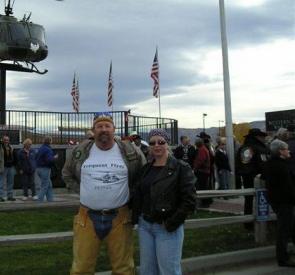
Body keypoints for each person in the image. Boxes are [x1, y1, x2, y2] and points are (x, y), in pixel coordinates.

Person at [62, 112, 146, 275]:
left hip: (120, 218)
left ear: (114, 129)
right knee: (81, 269)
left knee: (123, 268)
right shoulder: (81, 151)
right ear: (94, 131)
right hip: (86, 218)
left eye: (107, 126)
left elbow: (143, 173)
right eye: (99, 126)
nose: (104, 129)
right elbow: (66, 173)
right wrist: (83, 189)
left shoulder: (130, 151)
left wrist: (130, 192)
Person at [131, 128, 197, 275]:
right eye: (153, 142)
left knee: (169, 271)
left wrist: (171, 222)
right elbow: (140, 194)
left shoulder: (181, 168)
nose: (156, 145)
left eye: (161, 142)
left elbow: (190, 201)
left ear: (168, 144)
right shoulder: (146, 168)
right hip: (145, 225)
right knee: (148, 271)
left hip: (166, 228)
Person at [261, 140, 295, 268]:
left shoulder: (272, 164)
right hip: (283, 201)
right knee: (284, 229)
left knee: (291, 227)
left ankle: (283, 256)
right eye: (286, 149)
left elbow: (264, 176)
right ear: (281, 151)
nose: (289, 151)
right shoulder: (280, 166)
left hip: (278, 200)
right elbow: (287, 187)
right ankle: (283, 258)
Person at [236, 128, 271, 230]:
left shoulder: (247, 147)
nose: (262, 138)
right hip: (256, 177)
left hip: (253, 176)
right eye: (260, 137)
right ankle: (255, 222)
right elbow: (250, 164)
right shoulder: (254, 148)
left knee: (252, 200)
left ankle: (252, 222)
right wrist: (258, 174)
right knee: (256, 199)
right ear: (257, 137)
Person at [35, 136, 58, 202]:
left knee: (49, 186)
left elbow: (36, 157)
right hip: (45, 169)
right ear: (50, 142)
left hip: (38, 168)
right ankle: (39, 202)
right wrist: (54, 158)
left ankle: (50, 201)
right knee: (44, 187)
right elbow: (49, 160)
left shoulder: (41, 148)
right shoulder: (48, 150)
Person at [0, 135, 16, 202]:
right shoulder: (0, 147)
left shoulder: (11, 147)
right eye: (5, 140)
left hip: (11, 167)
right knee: (1, 182)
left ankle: (10, 196)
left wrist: (14, 164)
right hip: (3, 167)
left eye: (7, 140)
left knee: (10, 182)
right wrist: (0, 141)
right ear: (2, 140)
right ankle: (0, 196)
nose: (6, 141)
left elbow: (14, 156)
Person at [193, 138, 211, 208]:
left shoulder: (201, 150)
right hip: (205, 171)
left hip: (202, 171)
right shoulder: (205, 149)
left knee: (203, 187)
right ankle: (205, 202)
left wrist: (195, 168)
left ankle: (204, 203)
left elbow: (200, 160)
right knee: (204, 186)